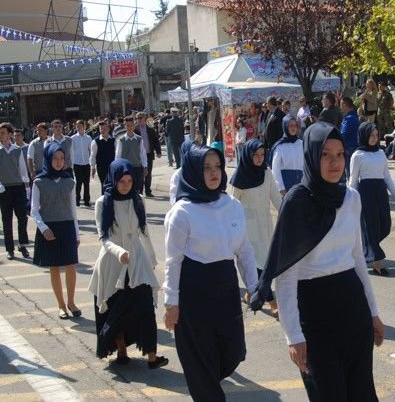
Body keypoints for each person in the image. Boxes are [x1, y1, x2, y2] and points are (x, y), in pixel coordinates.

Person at [250, 122, 384, 401]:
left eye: (339, 154)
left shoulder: (351, 198)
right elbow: (285, 278)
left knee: (362, 393)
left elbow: (358, 259)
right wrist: (293, 336)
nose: (335, 163)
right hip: (315, 313)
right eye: (325, 155)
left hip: (353, 309)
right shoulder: (298, 202)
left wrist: (373, 312)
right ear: (311, 156)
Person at [164, 145, 259, 401]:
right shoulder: (182, 212)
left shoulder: (232, 205)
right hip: (194, 294)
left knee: (233, 351)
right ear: (194, 171)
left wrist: (255, 288)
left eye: (217, 166)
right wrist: (171, 303)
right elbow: (173, 262)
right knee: (201, 364)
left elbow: (245, 251)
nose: (214, 172)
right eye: (206, 168)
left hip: (226, 290)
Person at [88, 159, 167, 368]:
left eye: (130, 180)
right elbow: (103, 238)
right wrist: (119, 251)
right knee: (116, 309)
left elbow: (144, 230)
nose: (126, 185)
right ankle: (121, 351)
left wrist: (152, 258)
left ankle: (152, 355)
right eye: (121, 181)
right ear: (113, 180)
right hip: (112, 264)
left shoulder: (138, 200)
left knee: (145, 307)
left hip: (137, 261)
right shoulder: (102, 203)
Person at [229, 139, 282, 318]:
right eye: (256, 155)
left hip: (266, 226)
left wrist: (288, 213)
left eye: (262, 155)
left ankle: (251, 294)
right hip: (248, 228)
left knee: (266, 263)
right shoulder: (240, 176)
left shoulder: (267, 173)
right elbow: (232, 204)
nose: (259, 159)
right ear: (248, 156)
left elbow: (276, 198)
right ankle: (272, 302)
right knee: (258, 267)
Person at [31, 145, 80, 319]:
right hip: (49, 228)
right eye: (55, 158)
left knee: (71, 266)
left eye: (61, 158)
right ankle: (61, 305)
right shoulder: (39, 182)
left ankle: (72, 302)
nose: (59, 162)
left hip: (67, 226)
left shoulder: (70, 181)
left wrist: (77, 233)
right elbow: (34, 210)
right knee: (54, 267)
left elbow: (73, 210)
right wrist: (43, 229)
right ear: (48, 159)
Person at [349, 122, 395, 276]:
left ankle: (365, 252)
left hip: (380, 193)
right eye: (371, 135)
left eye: (376, 135)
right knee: (370, 228)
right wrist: (350, 199)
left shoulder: (380, 153)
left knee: (384, 226)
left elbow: (387, 176)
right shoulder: (357, 155)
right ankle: (377, 263)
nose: (374, 138)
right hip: (365, 194)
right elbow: (353, 179)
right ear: (364, 135)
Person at [0, 122, 30, 260]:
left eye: (3, 133)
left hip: (18, 187)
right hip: (4, 189)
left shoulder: (17, 150)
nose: (1, 135)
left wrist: (26, 186)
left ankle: (22, 245)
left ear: (10, 134)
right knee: (7, 220)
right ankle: (10, 249)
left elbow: (23, 170)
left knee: (22, 218)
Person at [270, 116, 304, 196]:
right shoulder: (280, 146)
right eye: (290, 125)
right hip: (286, 184)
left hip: (301, 185)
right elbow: (275, 169)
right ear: (285, 126)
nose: (293, 128)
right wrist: (281, 189)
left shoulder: (302, 144)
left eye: (295, 125)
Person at [115, 116, 148, 195]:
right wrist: (117, 168)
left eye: (131, 125)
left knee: (139, 190)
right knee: (128, 190)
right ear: (125, 126)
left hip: (137, 168)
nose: (129, 127)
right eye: (127, 125)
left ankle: (139, 206)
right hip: (126, 169)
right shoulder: (121, 140)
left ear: (134, 126)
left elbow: (143, 154)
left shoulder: (139, 139)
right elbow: (118, 155)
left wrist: (145, 166)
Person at [135, 112, 162, 197]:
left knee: (148, 173)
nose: (138, 119)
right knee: (139, 174)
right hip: (138, 155)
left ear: (145, 118)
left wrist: (158, 151)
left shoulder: (150, 129)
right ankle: (140, 192)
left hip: (148, 154)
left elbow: (155, 141)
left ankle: (148, 191)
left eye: (140, 118)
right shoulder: (134, 130)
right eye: (137, 118)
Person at [90, 121, 116, 195]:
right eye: (101, 129)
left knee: (113, 184)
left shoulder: (113, 140)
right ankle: (104, 201)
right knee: (104, 185)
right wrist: (93, 168)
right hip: (101, 167)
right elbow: (93, 156)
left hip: (112, 166)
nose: (102, 130)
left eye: (104, 128)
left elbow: (117, 154)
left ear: (108, 129)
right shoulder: (96, 141)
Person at [71, 120, 93, 207]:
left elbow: (90, 150)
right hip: (77, 163)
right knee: (78, 182)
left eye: (80, 126)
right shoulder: (73, 138)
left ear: (84, 127)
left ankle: (87, 200)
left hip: (86, 163)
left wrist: (91, 163)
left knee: (86, 183)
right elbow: (71, 151)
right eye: (77, 126)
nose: (79, 128)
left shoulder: (88, 138)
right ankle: (77, 199)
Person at [339, 97, 360, 176]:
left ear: (345, 105)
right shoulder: (353, 116)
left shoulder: (349, 119)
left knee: (350, 173)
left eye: (341, 104)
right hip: (353, 147)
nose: (340, 106)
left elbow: (343, 134)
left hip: (349, 147)